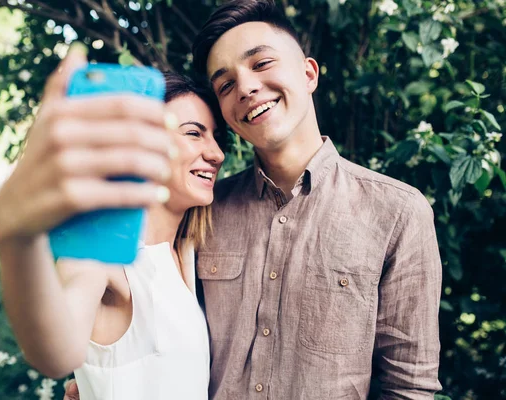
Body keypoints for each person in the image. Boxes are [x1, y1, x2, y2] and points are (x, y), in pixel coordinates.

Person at [66, 0, 443, 399]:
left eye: (261, 64)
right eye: (225, 84)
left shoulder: (397, 213)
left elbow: (408, 388)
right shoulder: (202, 214)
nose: (245, 87)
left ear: (309, 72)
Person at [0, 43, 226, 399]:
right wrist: (17, 238)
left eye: (214, 136)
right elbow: (57, 352)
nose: (217, 153)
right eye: (194, 133)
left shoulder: (186, 253)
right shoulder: (104, 257)